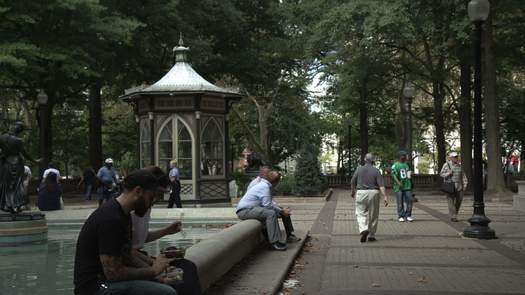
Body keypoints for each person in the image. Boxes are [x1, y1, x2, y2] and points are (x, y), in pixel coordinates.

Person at [74, 169, 177, 295]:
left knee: (165, 284)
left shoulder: (123, 214)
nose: (152, 202)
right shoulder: (111, 219)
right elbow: (113, 273)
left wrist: (155, 273)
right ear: (138, 191)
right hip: (96, 288)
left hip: (105, 283)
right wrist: (152, 271)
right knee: (167, 293)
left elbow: (128, 255)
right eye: (151, 197)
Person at [131, 166, 201, 295]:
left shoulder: (145, 207)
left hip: (140, 257)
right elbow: (126, 252)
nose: (156, 199)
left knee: (188, 267)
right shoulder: (127, 211)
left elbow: (140, 238)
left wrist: (167, 231)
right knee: (174, 281)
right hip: (132, 262)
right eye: (155, 194)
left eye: (160, 195)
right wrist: (154, 266)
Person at [236, 170, 300, 251]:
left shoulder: (265, 185)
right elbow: (268, 205)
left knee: (280, 210)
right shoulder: (264, 187)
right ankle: (274, 242)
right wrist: (281, 211)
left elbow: (268, 203)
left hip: (252, 209)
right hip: (244, 211)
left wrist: (281, 210)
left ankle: (289, 235)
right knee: (271, 213)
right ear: (276, 182)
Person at [0, 122, 40, 213]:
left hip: (7, 163)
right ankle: (16, 205)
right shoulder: (18, 140)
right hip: (17, 163)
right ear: (19, 130)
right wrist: (35, 161)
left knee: (8, 185)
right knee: (17, 186)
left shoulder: (2, 137)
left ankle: (8, 205)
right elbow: (25, 154)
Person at [350, 153, 389, 243]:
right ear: (373, 160)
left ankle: (364, 229)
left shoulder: (359, 169)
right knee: (374, 215)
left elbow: (352, 182)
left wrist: (353, 192)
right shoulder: (376, 171)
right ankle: (371, 235)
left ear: (364, 159)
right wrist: (385, 196)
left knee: (360, 213)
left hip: (361, 192)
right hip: (374, 193)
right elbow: (381, 185)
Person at [440, 152, 468, 222]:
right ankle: (453, 216)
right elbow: (441, 174)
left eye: (457, 157)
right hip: (450, 186)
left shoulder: (459, 165)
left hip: (459, 186)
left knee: (459, 200)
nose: (456, 158)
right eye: (455, 157)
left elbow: (463, 175)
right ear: (451, 158)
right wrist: (448, 173)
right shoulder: (446, 165)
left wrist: (465, 184)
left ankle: (454, 214)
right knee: (451, 202)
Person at [391, 151, 414, 222]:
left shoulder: (406, 165)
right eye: (405, 155)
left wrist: (410, 174)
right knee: (400, 202)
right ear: (401, 156)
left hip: (407, 186)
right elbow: (393, 175)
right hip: (399, 187)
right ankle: (401, 216)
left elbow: (408, 174)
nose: (406, 157)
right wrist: (398, 183)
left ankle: (408, 215)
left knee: (410, 200)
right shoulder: (395, 165)